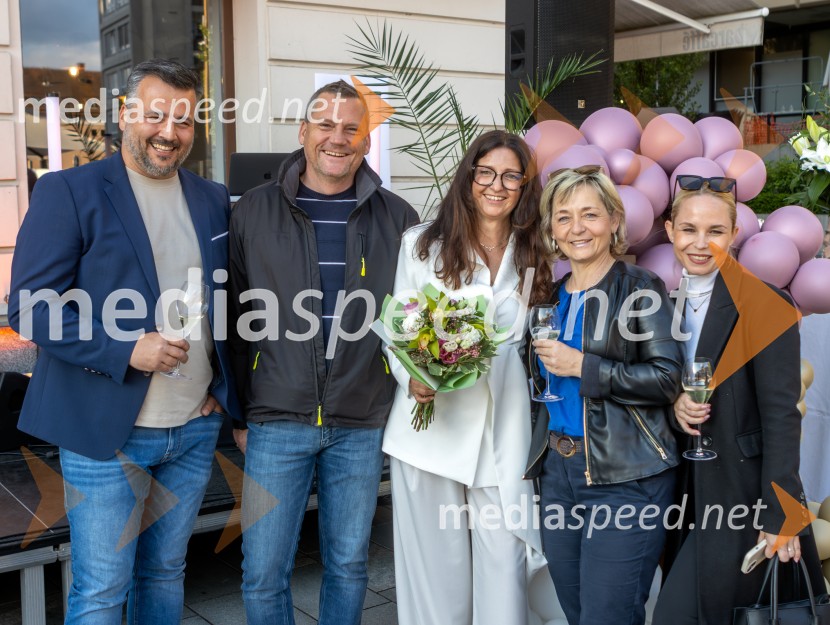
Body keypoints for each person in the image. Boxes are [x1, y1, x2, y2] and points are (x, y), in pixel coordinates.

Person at [8, 58, 240, 624]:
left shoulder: (212, 198)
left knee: (165, 573)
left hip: (191, 428)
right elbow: (29, 307)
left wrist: (222, 386)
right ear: (124, 114)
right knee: (102, 590)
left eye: (184, 120)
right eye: (155, 115)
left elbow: (227, 299)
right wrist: (124, 349)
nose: (169, 132)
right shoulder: (68, 191)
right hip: (107, 434)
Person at [228, 80, 419, 625]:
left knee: (348, 564)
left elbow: (414, 320)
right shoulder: (252, 212)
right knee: (263, 572)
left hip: (361, 421)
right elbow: (235, 321)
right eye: (326, 125)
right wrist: (241, 412)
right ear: (304, 132)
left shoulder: (399, 219)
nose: (337, 138)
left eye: (350, 128)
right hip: (275, 418)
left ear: (365, 139)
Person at [382, 130, 552, 625]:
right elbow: (397, 334)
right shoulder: (421, 245)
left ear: (524, 186)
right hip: (432, 428)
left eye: (511, 176)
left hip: (505, 431)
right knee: (437, 577)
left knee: (506, 562)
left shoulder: (536, 251)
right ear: (469, 178)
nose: (496, 185)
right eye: (486, 173)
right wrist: (411, 378)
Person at [652, 175, 824, 625]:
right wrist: (675, 407)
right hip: (685, 485)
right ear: (670, 231)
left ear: (735, 234)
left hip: (744, 493)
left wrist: (782, 510)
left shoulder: (766, 303)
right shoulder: (668, 302)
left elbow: (782, 416)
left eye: (715, 231)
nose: (700, 243)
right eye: (689, 229)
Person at [525, 166, 682, 625]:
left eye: (590, 214)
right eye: (564, 216)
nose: (577, 228)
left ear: (614, 220)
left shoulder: (639, 287)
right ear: (552, 228)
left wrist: (583, 366)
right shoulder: (550, 299)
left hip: (625, 476)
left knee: (607, 615)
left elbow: (666, 378)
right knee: (577, 611)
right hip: (559, 474)